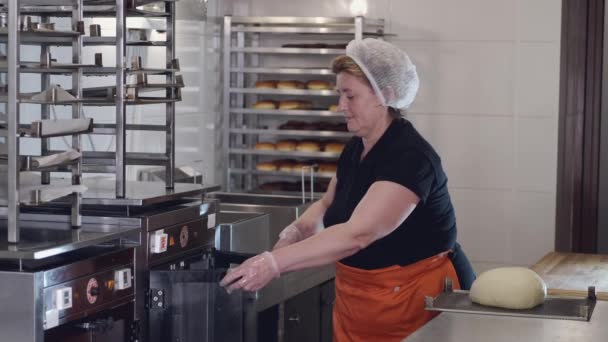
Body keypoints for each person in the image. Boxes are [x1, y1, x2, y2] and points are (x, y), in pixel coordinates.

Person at [220, 38, 475, 341]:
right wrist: (300, 228)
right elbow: (328, 205)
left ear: (386, 95)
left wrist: (274, 264)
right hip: (361, 301)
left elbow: (359, 233)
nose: (340, 105)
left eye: (350, 95)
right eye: (340, 94)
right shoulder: (357, 149)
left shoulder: (411, 158)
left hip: (414, 299)